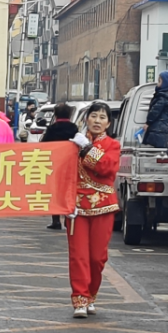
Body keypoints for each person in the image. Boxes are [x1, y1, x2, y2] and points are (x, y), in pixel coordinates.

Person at [65, 102, 120, 318]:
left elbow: (106, 167)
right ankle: (79, 298)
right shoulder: (72, 145)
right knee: (78, 255)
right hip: (76, 207)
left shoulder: (112, 145)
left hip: (103, 207)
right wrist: (64, 201)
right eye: (94, 116)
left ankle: (90, 295)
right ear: (86, 118)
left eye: (102, 117)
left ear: (108, 123)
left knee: (97, 258)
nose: (97, 121)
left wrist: (87, 148)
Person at [41, 103, 80, 231]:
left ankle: (56, 220)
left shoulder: (52, 128)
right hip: (71, 164)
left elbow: (44, 144)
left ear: (56, 114)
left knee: (56, 192)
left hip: (55, 164)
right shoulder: (74, 128)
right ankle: (69, 220)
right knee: (69, 190)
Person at [143, 70, 168, 148]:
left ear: (165, 83)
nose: (157, 83)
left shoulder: (162, 97)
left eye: (159, 81)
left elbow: (154, 112)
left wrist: (148, 123)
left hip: (158, 131)